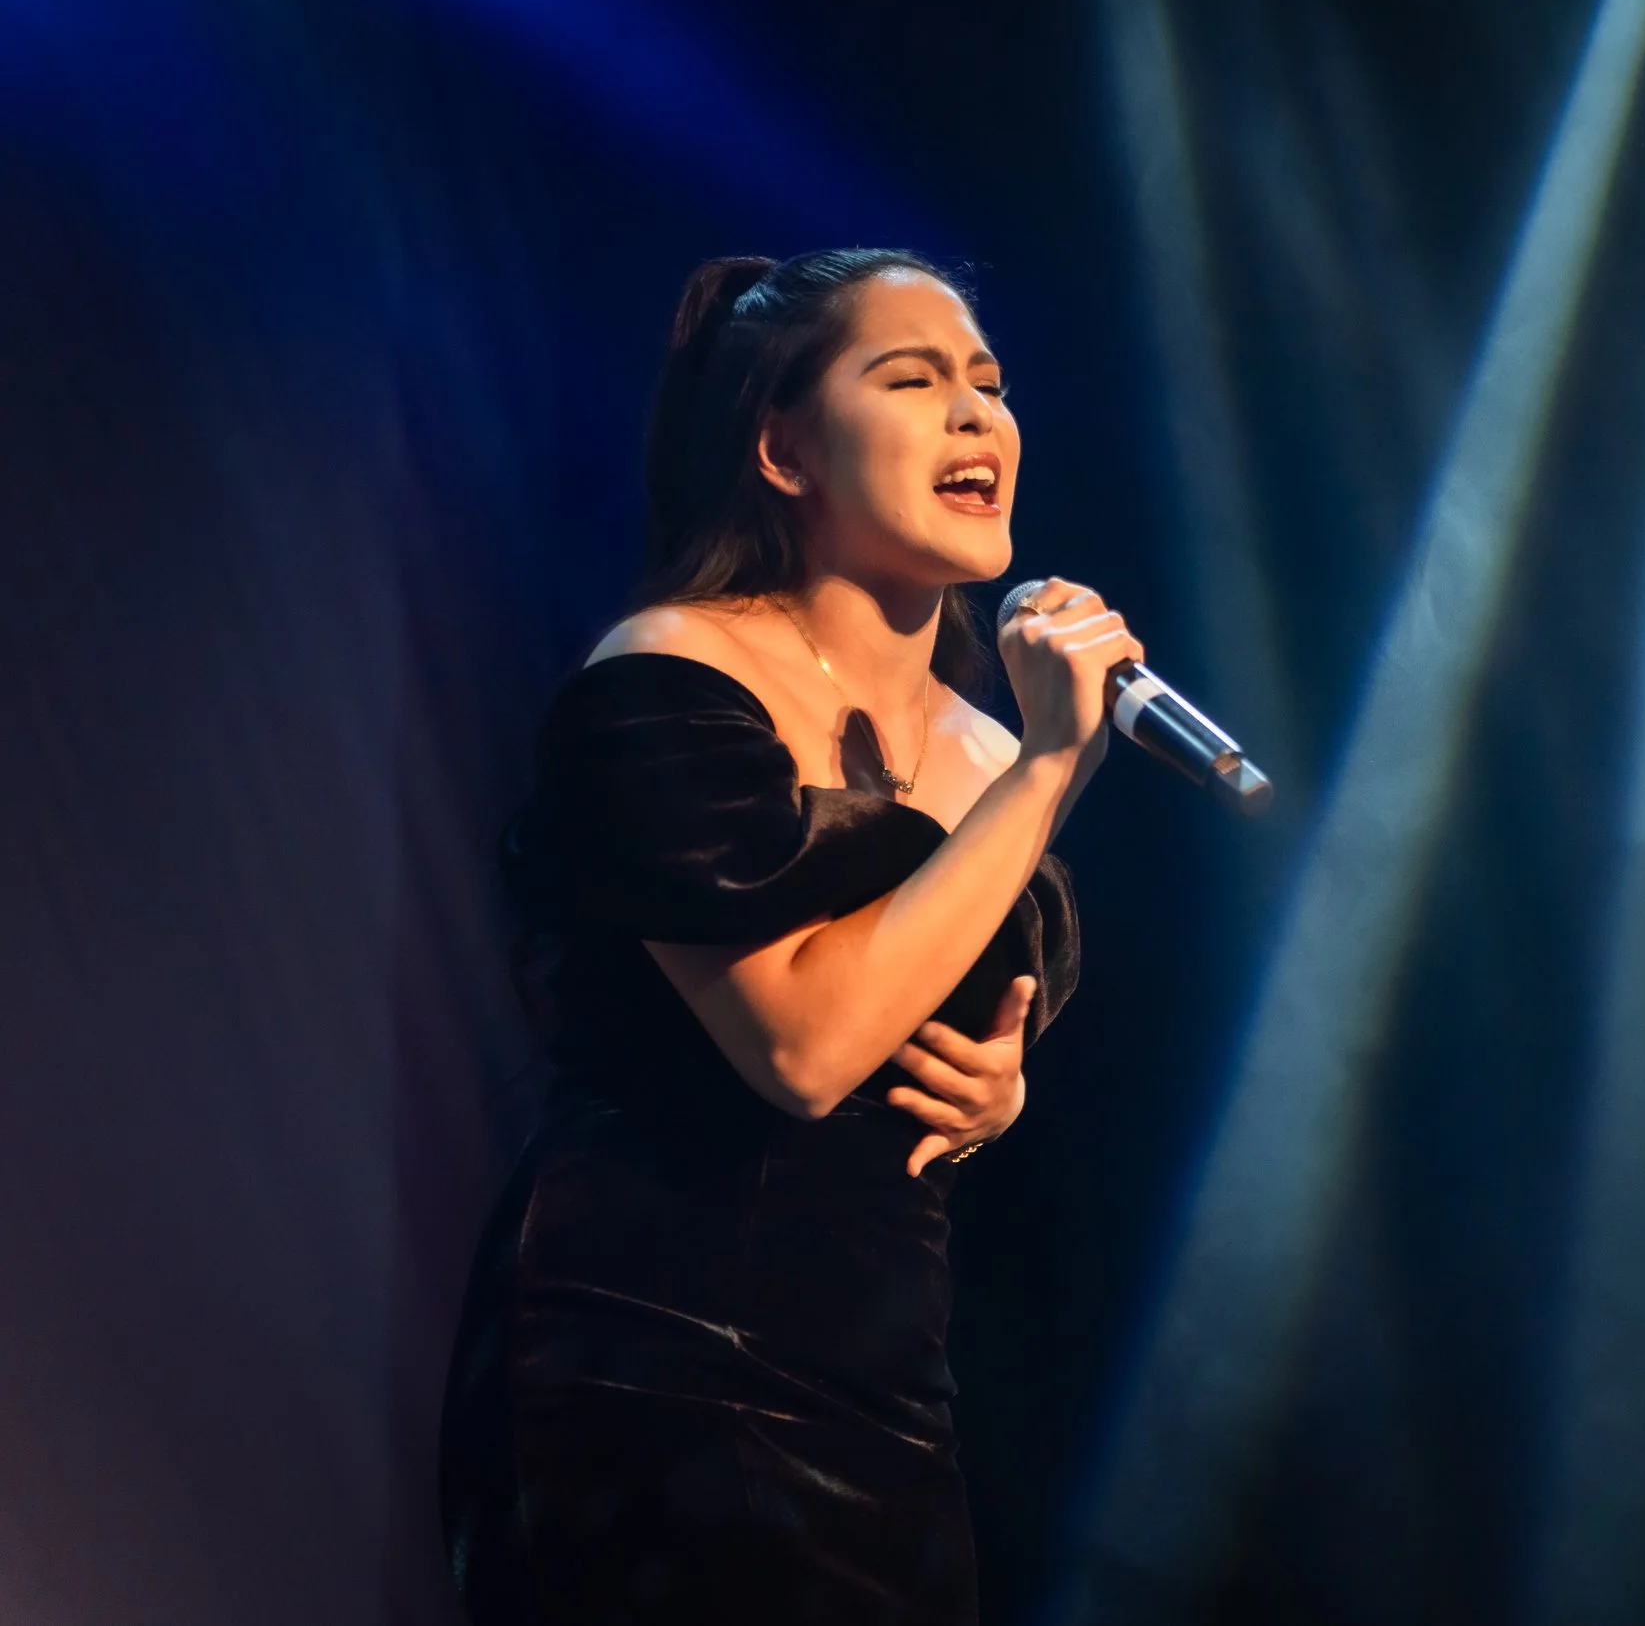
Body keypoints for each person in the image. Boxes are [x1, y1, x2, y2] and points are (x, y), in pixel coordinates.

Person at [438, 248, 1141, 1625]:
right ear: (783, 447)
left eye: (988, 388)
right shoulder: (668, 677)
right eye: (913, 379)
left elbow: (925, 988)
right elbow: (808, 1044)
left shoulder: (994, 742)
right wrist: (1051, 772)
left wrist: (998, 1083)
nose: (974, 418)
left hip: (882, 1383)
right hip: (652, 1351)